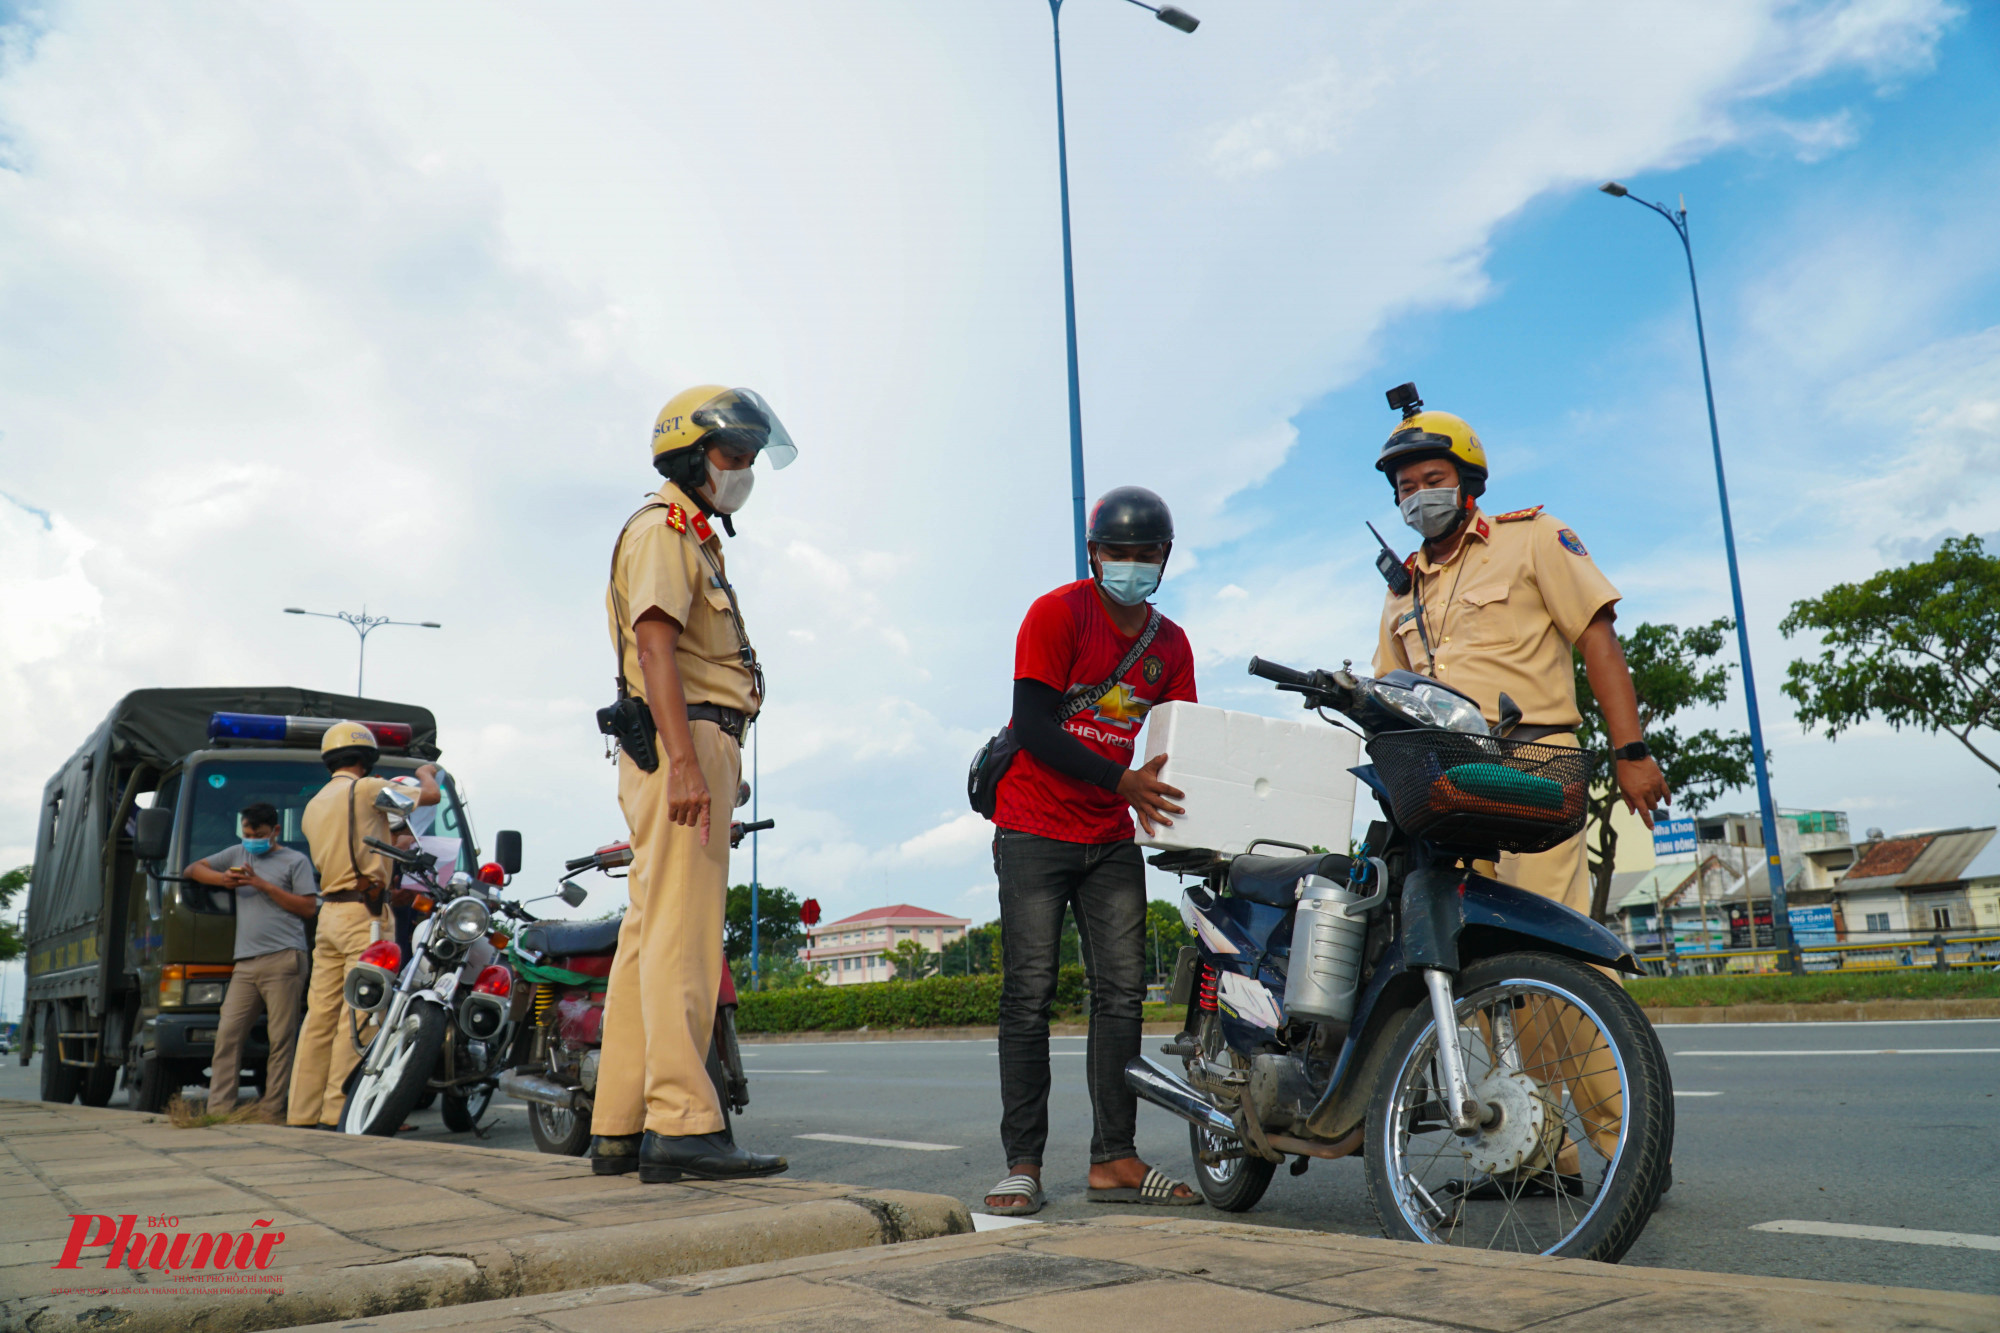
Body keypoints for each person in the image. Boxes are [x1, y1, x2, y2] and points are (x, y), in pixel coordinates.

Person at [1368, 382, 1670, 1182]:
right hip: (1441, 785)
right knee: (1474, 980)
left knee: (1554, 962)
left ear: (1466, 481)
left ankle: (1623, 1144)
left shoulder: (1532, 540)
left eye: (1429, 480)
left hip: (1532, 766)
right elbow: (1385, 692)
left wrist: (1631, 748)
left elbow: (1596, 636)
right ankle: (1534, 1149)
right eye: (1403, 488)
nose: (1417, 497)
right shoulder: (1405, 587)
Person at [592, 384, 795, 1183]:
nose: (743, 471)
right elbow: (654, 651)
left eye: (749, 458)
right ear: (689, 458)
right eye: (731, 457)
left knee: (648, 936)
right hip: (687, 739)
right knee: (683, 936)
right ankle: (682, 1120)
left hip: (689, 740)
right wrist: (685, 761)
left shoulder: (689, 535)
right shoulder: (664, 530)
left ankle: (620, 1123)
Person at [982, 486, 1200, 1217]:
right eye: (1120, 554)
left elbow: (1183, 744)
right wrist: (1122, 778)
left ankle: (1114, 1156)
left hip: (1110, 837)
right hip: (1033, 827)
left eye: (1147, 555)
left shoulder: (1169, 646)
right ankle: (1023, 1164)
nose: (1132, 566)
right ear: (1094, 554)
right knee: (1030, 995)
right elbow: (1035, 725)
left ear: (1164, 559)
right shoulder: (1056, 614)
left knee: (1122, 995)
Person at [287, 722, 440, 1129]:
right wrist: (427, 772)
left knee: (318, 1015)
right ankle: (338, 1109)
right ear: (366, 758)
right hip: (365, 913)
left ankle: (302, 1111)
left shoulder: (314, 804)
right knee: (360, 1013)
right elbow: (429, 798)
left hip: (329, 913)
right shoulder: (368, 789)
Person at [185, 802, 317, 1120]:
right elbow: (192, 870)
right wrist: (222, 881)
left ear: (275, 831)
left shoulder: (295, 861)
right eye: (246, 833)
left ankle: (272, 1110)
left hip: (285, 958)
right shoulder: (236, 854)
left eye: (257, 834)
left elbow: (308, 908)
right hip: (244, 962)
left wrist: (263, 885)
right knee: (229, 1034)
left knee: (281, 1038)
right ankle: (219, 1110)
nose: (251, 840)